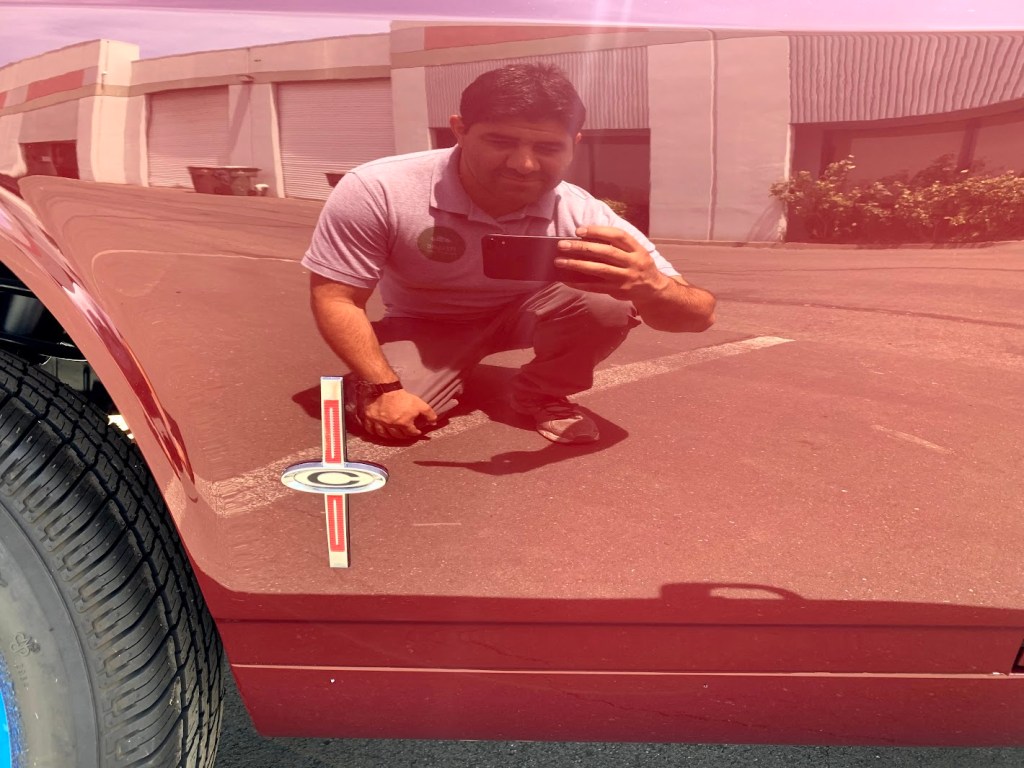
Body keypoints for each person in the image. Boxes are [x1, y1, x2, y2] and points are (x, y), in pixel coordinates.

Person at [303, 63, 716, 445]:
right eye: (500, 141)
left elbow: (699, 316)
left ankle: (541, 393)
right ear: (460, 130)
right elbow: (337, 298)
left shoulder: (582, 210)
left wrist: (653, 286)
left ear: (574, 144)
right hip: (424, 322)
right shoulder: (379, 188)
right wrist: (383, 387)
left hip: (524, 316)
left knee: (608, 301)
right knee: (397, 420)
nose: (524, 164)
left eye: (549, 147)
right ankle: (402, 371)